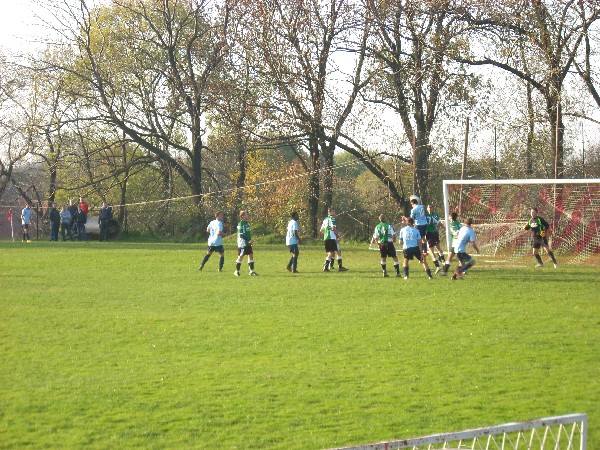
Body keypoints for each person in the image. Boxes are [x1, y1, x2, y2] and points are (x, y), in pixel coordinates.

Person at [320, 207, 348, 272]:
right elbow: (333, 228)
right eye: (333, 211)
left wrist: (326, 233)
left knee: (334, 252)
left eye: (334, 211)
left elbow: (321, 230)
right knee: (334, 252)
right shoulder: (332, 218)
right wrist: (338, 233)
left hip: (326, 238)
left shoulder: (325, 219)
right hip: (331, 238)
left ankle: (329, 266)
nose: (334, 213)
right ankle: (328, 266)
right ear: (329, 212)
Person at [234, 210, 257, 276]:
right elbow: (241, 235)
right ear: (242, 216)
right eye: (246, 214)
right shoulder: (241, 224)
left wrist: (250, 241)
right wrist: (248, 240)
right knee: (240, 256)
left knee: (250, 255)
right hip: (242, 244)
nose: (248, 215)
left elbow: (247, 233)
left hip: (248, 243)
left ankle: (251, 271)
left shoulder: (247, 223)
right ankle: (237, 271)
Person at [425, 204, 446, 274]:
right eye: (429, 207)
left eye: (431, 207)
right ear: (427, 208)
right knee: (437, 248)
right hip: (432, 233)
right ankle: (443, 261)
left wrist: (444, 228)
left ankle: (439, 265)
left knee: (432, 250)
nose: (430, 208)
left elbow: (439, 223)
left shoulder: (434, 215)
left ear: (433, 208)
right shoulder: (426, 215)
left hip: (432, 233)